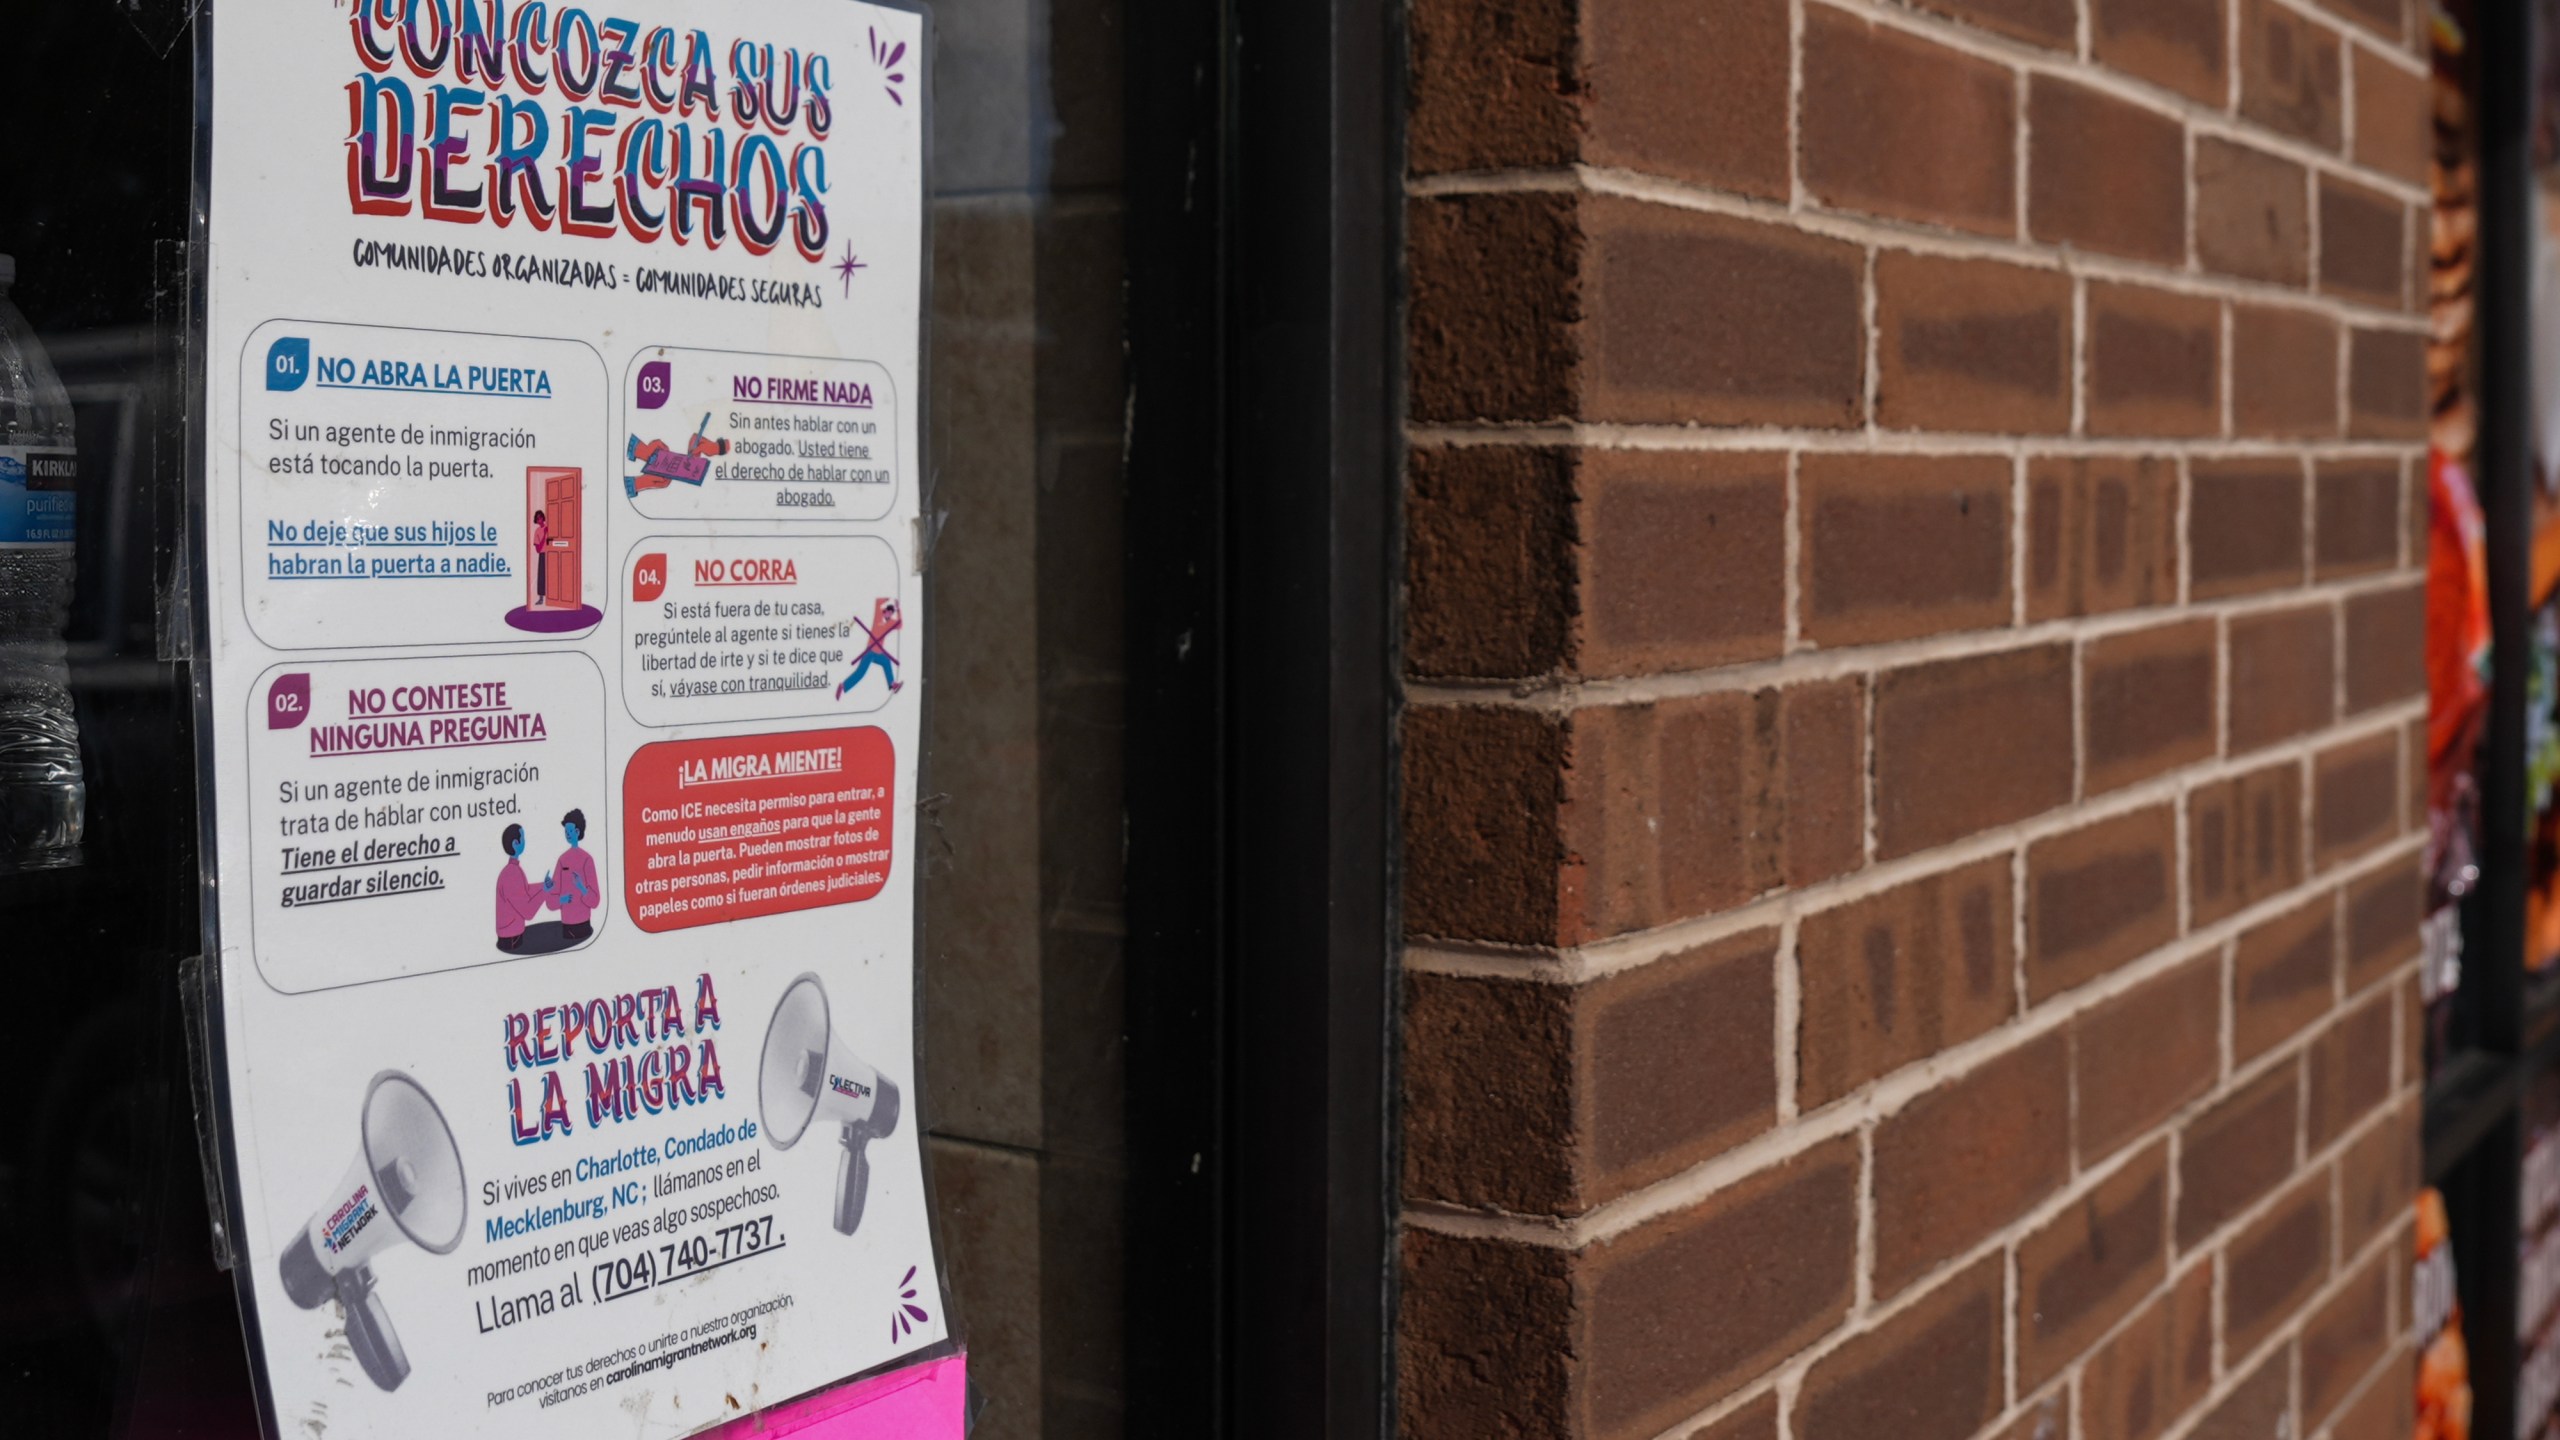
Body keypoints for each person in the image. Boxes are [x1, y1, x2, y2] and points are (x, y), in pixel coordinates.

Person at [545, 807, 599, 942]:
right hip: (566, 928)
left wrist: (581, 887)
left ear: (577, 832)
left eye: (570, 831)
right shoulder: (562, 860)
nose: (567, 834)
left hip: (584, 926)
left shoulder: (587, 859)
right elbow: (551, 902)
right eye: (565, 831)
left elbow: (596, 900)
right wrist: (552, 890)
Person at [836, 598, 904, 698]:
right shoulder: (878, 617)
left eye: (891, 613)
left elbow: (900, 625)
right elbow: (878, 602)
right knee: (860, 673)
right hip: (870, 651)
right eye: (888, 612)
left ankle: (892, 684)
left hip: (879, 652)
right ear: (884, 611)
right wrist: (888, 599)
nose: (889, 614)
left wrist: (898, 609)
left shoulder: (890, 623)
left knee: (886, 662)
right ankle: (843, 686)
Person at [493, 824, 545, 951]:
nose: (525, 841)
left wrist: (543, 885)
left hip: (512, 935)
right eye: (523, 838)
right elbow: (528, 912)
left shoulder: (513, 869)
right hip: (511, 939)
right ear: (516, 843)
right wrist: (545, 892)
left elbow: (524, 890)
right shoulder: (511, 873)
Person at [531, 509, 550, 606]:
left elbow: (552, 540)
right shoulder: (537, 531)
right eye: (537, 519)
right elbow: (538, 549)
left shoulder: (549, 527)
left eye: (540, 517)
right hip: (542, 555)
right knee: (542, 577)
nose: (540, 520)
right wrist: (544, 535)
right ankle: (541, 599)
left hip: (551, 554)